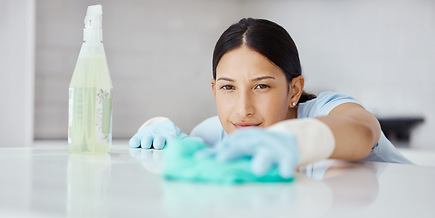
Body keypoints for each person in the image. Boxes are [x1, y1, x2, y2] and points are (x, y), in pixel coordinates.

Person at [129, 18, 410, 178]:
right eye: (228, 88)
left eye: (261, 87)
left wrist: (297, 138)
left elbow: (362, 132)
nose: (243, 110)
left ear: (294, 90)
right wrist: (159, 134)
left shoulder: (324, 110)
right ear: (214, 89)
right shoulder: (215, 133)